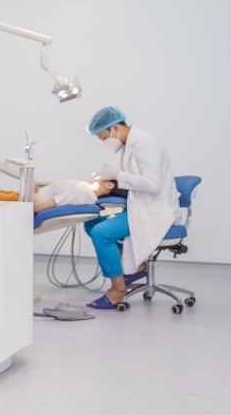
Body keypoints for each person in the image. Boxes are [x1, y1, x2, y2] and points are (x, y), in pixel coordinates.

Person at [83, 106, 183, 310]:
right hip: (140, 206)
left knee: (101, 233)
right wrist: (111, 180)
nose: (104, 143)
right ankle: (136, 267)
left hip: (154, 212)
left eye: (104, 138)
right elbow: (136, 181)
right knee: (91, 222)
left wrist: (117, 175)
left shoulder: (144, 143)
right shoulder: (130, 144)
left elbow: (152, 184)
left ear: (114, 128)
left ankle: (118, 290)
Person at [32, 178, 125, 214]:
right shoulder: (84, 189)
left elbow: (38, 207)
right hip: (29, 199)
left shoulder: (81, 192)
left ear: (109, 185)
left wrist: (31, 189)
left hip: (27, 204)